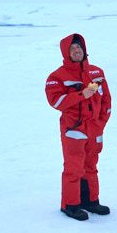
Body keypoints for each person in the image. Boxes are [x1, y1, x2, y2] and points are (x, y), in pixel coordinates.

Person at [45, 34, 111, 220]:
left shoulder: (97, 72)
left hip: (94, 129)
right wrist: (81, 94)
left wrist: (101, 123)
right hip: (73, 129)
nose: (77, 50)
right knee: (74, 168)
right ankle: (71, 205)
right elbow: (56, 101)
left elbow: (106, 101)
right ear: (66, 53)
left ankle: (91, 202)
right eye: (72, 49)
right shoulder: (57, 76)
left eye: (79, 47)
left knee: (91, 166)